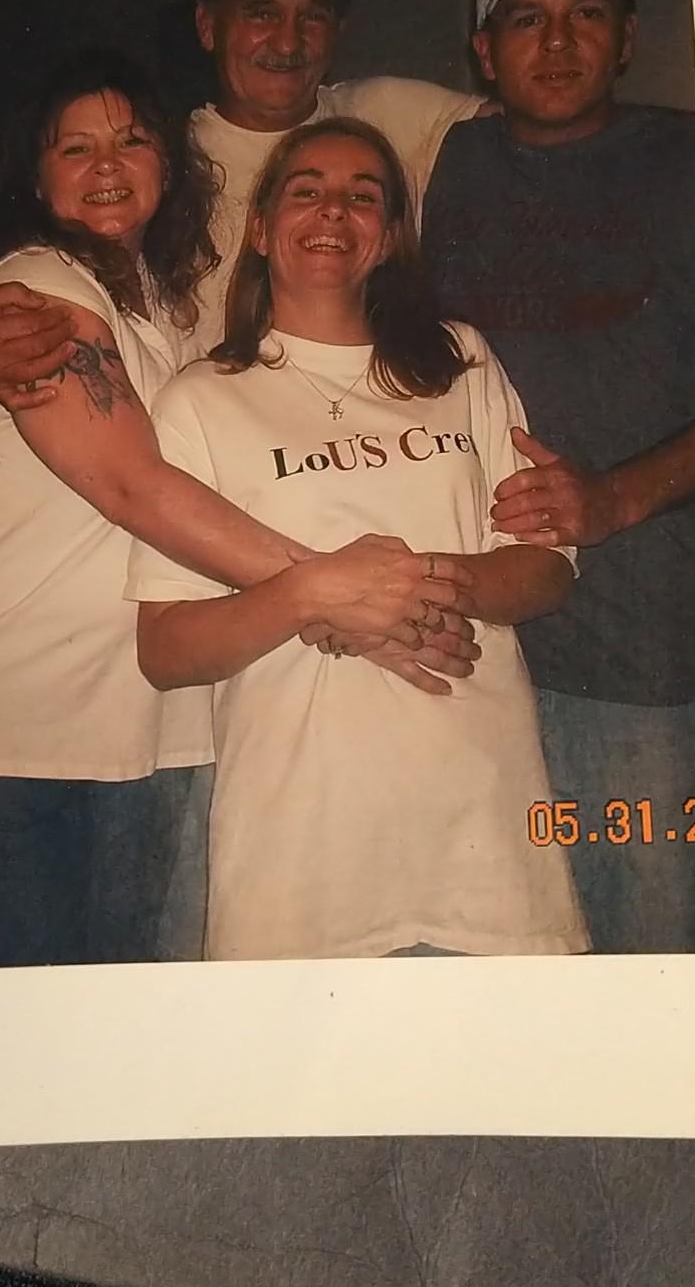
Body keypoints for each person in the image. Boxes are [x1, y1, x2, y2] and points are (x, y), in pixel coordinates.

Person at [0, 56, 472, 969]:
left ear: (168, 162)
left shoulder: (170, 305)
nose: (108, 164)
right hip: (18, 724)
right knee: (24, 1021)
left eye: (132, 140)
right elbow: (133, 486)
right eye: (75, 148)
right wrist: (339, 595)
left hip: (154, 721)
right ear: (36, 176)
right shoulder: (37, 288)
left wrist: (337, 599)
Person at [126, 119, 589, 964]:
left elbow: (548, 569)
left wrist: (418, 586)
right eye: (306, 190)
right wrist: (310, 594)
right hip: (300, 847)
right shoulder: (201, 400)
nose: (333, 210)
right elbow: (165, 649)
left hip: (483, 830)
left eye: (363, 195)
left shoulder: (461, 362)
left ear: (391, 236)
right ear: (260, 227)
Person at [421, 0, 695, 954]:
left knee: (653, 955)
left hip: (635, 659)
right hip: (470, 659)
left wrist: (617, 496)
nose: (555, 43)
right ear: (484, 51)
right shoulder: (446, 161)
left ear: (628, 37)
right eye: (527, 20)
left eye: (586, 14)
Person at [0, 0, 488, 411]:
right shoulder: (155, 162)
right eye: (261, 13)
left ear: (339, 30)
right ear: (208, 25)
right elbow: (23, 270)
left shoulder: (389, 113)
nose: (287, 42)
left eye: (313, 16)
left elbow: (529, 118)